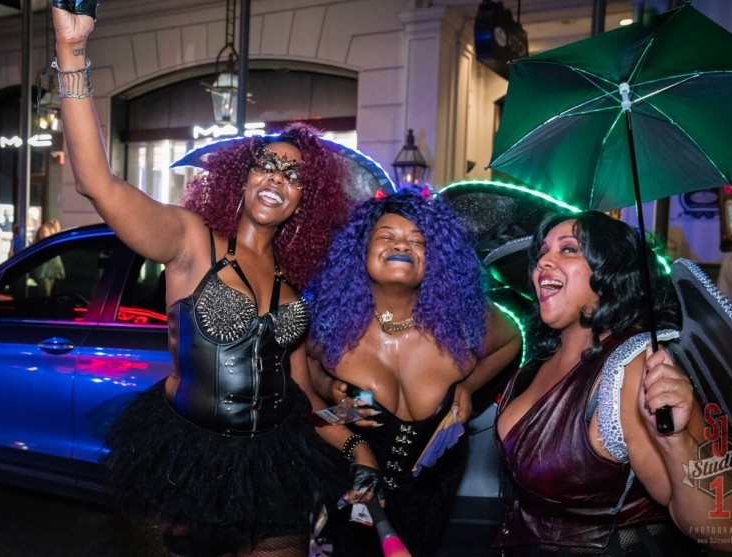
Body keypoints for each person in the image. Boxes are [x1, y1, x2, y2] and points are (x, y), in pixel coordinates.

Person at [51, 5, 362, 556]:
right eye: (266, 165)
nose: (277, 179)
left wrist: (355, 440)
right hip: (192, 463)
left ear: (304, 202)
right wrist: (71, 48)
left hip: (273, 462)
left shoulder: (294, 284)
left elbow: (299, 392)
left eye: (293, 176)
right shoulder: (192, 243)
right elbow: (96, 182)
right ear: (240, 180)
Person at [494, 210, 732, 556]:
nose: (543, 262)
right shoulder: (537, 360)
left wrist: (675, 441)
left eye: (568, 250)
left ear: (610, 271)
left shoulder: (632, 367)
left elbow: (724, 532)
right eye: (541, 253)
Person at [307, 187, 523, 557]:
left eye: (417, 240)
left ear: (434, 259)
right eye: (387, 236)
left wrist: (468, 386)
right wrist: (335, 401)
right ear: (361, 252)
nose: (402, 245)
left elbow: (513, 341)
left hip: (433, 489)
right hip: (352, 477)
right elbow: (309, 410)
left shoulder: (461, 324)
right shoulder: (330, 326)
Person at [31, 221, 66, 295]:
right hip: (43, 275)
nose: (43, 234)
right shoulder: (38, 246)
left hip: (52, 273)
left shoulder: (52, 244)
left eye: (45, 232)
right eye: (41, 232)